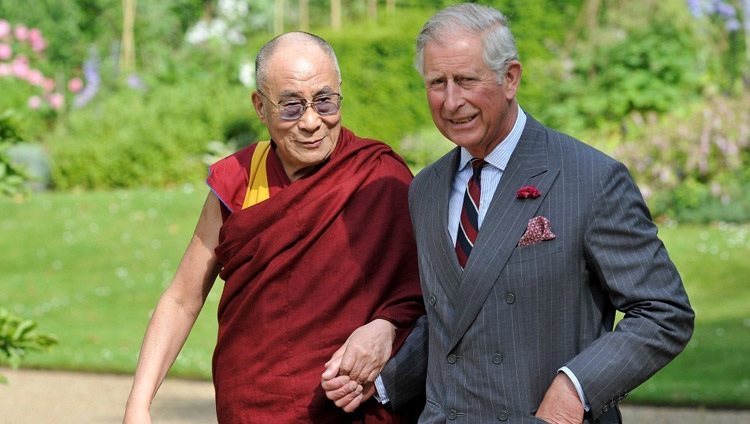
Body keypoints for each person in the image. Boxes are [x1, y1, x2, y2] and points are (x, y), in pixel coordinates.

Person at [322, 3, 694, 423]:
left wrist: (575, 388)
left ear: (510, 78)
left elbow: (665, 313)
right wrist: (386, 379)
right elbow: (453, 319)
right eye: (436, 83)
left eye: (465, 80)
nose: (451, 101)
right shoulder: (424, 189)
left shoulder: (590, 178)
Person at [123, 31, 425, 423]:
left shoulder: (380, 178)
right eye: (291, 107)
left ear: (339, 94)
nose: (312, 122)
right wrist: (138, 405)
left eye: (324, 101)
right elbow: (183, 298)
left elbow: (425, 295)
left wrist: (385, 328)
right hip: (252, 405)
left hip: (350, 407)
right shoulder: (239, 181)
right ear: (260, 107)